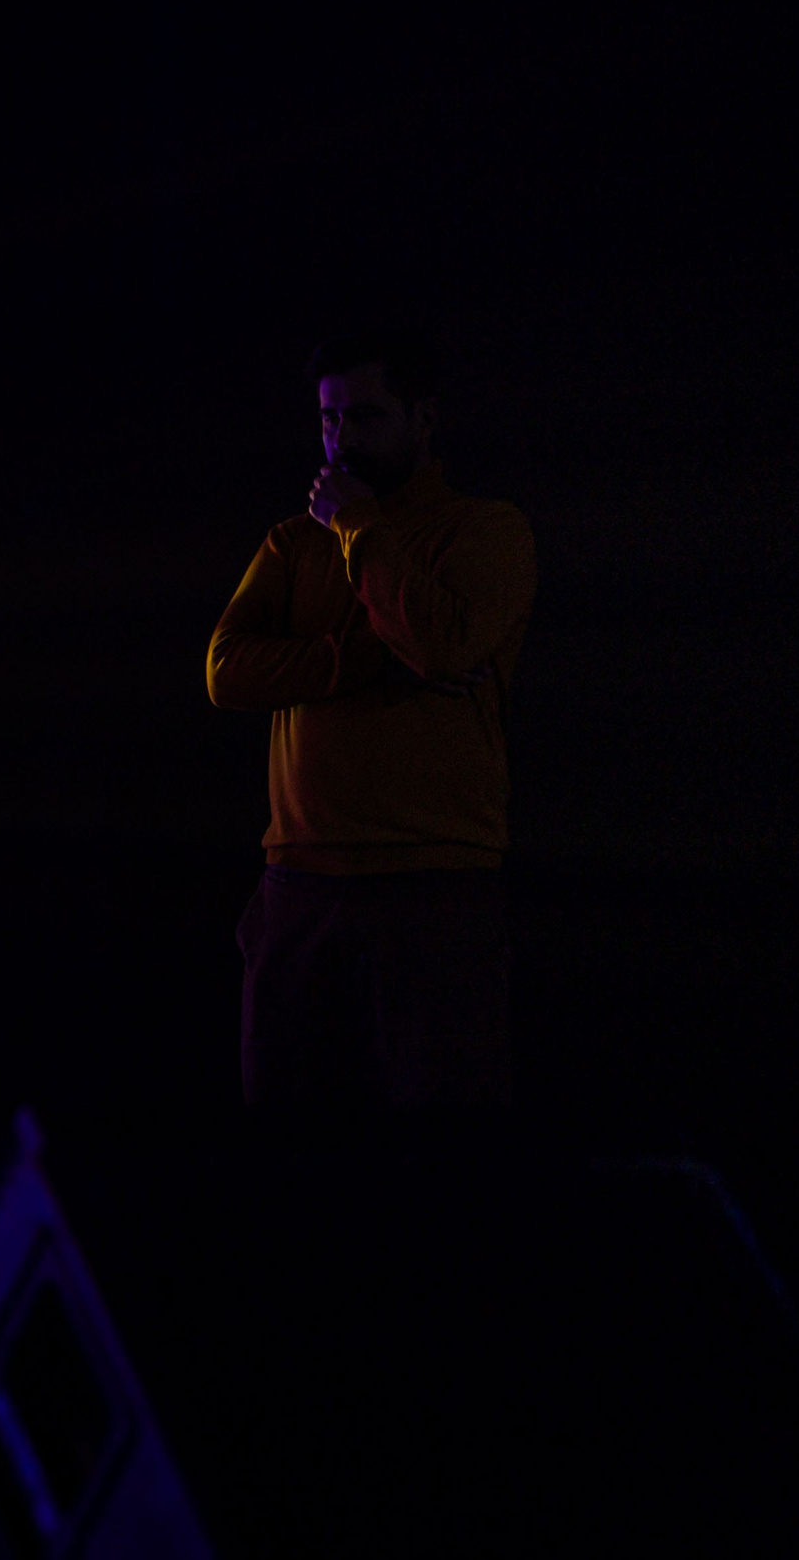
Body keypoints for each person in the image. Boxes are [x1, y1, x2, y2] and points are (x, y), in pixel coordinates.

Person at [205, 336, 536, 1110]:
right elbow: (225, 670)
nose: (341, 438)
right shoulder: (292, 542)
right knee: (294, 1155)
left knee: (442, 1155)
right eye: (328, 419)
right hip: (300, 886)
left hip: (433, 885)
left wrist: (359, 528)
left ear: (424, 420)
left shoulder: (486, 532)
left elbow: (443, 642)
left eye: (365, 416)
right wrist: (359, 661)